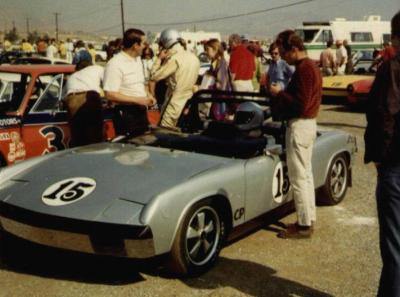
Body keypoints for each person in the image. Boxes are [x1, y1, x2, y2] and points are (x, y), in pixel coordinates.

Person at [269, 30, 322, 239]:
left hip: (300, 125)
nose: (282, 56)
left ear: (293, 49)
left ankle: (303, 226)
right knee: (306, 175)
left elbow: (300, 104)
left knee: (299, 178)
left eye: (283, 52)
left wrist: (279, 93)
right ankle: (308, 219)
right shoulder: (310, 67)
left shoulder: (304, 70)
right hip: (308, 125)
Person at [364, 10, 400, 297]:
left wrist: (379, 157)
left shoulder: (392, 68)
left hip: (395, 166)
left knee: (394, 246)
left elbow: (385, 115)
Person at [103, 28, 156, 137]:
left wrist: (149, 95)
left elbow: (140, 84)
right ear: (135, 45)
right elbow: (110, 94)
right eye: (143, 43)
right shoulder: (115, 64)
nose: (145, 46)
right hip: (126, 114)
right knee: (129, 151)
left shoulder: (137, 60)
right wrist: (137, 100)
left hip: (140, 113)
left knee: (142, 148)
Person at [149, 29, 200, 129]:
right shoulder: (193, 57)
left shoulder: (174, 58)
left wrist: (159, 59)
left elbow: (154, 76)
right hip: (189, 99)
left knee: (164, 130)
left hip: (174, 100)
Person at [64, 57, 105, 147]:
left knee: (78, 136)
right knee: (95, 136)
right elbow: (109, 84)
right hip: (89, 98)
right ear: (90, 65)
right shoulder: (97, 68)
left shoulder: (72, 76)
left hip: (72, 100)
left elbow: (63, 98)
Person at [203, 38, 233, 120]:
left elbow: (221, 84)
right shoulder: (215, 62)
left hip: (220, 98)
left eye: (207, 49)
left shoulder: (221, 63)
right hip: (216, 97)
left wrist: (210, 87)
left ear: (215, 49)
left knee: (219, 120)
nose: (206, 52)